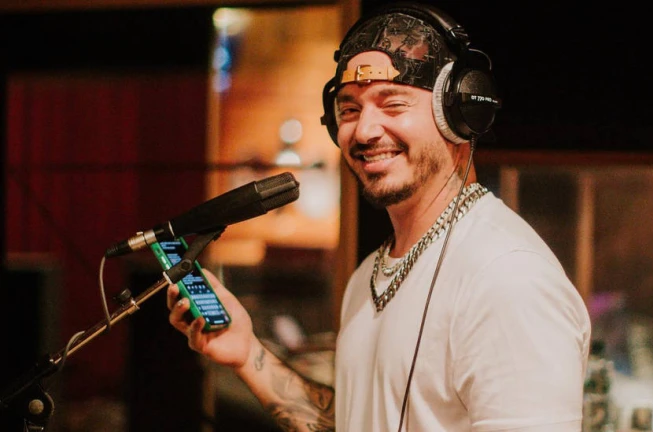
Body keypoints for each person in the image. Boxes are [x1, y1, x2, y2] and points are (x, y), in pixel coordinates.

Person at [166, 2, 592, 431]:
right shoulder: (369, 275)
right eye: (349, 110)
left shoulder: (506, 278)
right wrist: (247, 353)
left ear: (458, 115)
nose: (365, 130)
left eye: (393, 105)